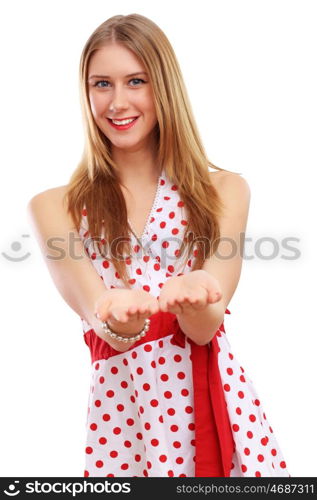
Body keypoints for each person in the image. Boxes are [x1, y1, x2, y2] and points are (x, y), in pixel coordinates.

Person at [27, 13, 290, 478]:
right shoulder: (56, 207)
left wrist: (196, 296)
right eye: (101, 83)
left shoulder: (224, 190)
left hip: (216, 405)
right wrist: (120, 316)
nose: (118, 101)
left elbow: (208, 325)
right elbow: (101, 322)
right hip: (125, 419)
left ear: (163, 86)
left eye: (136, 81)